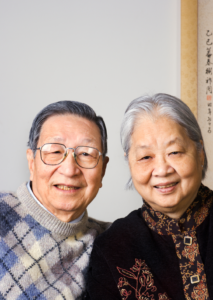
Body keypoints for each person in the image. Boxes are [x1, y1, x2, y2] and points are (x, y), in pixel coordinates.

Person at [86, 93, 213, 300]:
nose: (162, 170)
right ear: (130, 163)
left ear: (200, 153)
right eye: (146, 157)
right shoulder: (113, 247)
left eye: (175, 152)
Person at [0, 100, 109, 299]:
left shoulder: (113, 242)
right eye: (55, 151)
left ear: (103, 170)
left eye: (86, 154)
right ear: (31, 162)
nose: (69, 169)